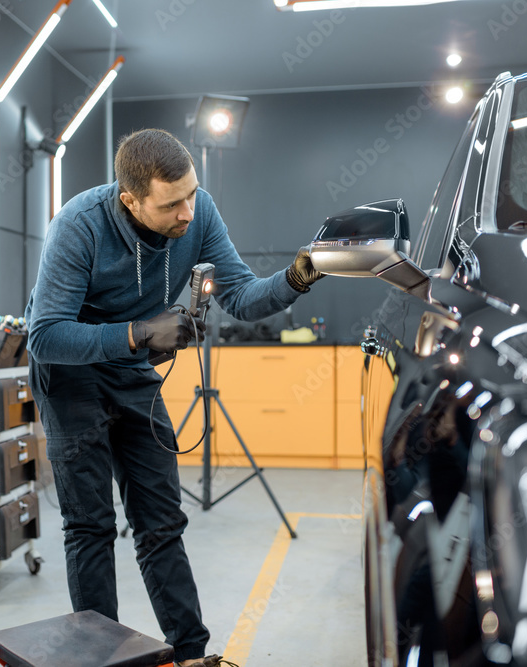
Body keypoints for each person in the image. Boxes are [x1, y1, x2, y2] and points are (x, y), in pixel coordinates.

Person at [24, 128, 323, 667]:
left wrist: (296, 278)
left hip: (133, 372)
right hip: (71, 376)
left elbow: (241, 296)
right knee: (90, 525)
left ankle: (189, 655)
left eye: (191, 194)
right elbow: (44, 335)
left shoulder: (199, 212)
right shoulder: (78, 226)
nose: (188, 212)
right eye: (171, 203)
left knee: (161, 521)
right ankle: (101, 658)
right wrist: (139, 334)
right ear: (130, 200)